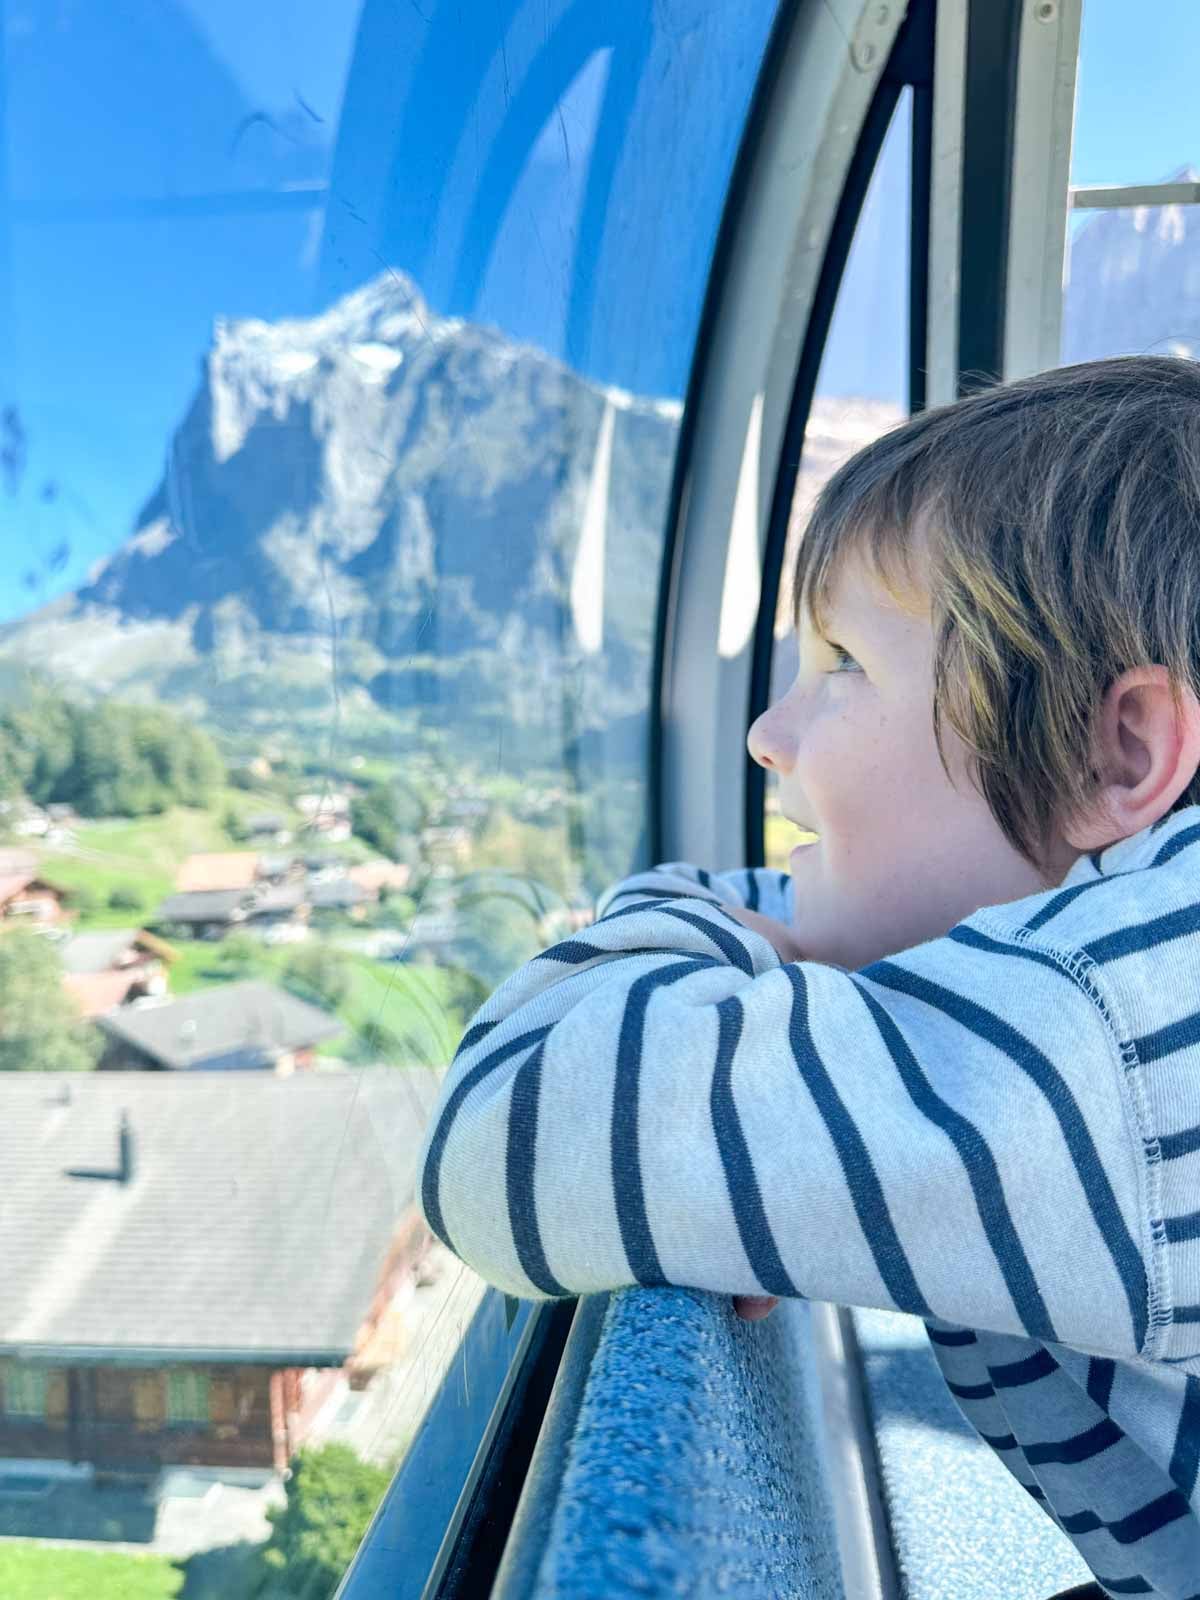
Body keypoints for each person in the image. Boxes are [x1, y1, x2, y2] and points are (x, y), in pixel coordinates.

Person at [413, 355, 1200, 1599]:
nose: (768, 733)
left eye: (844, 663)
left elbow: (511, 1124)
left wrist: (693, 914)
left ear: (1121, 749)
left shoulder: (1112, 1037)